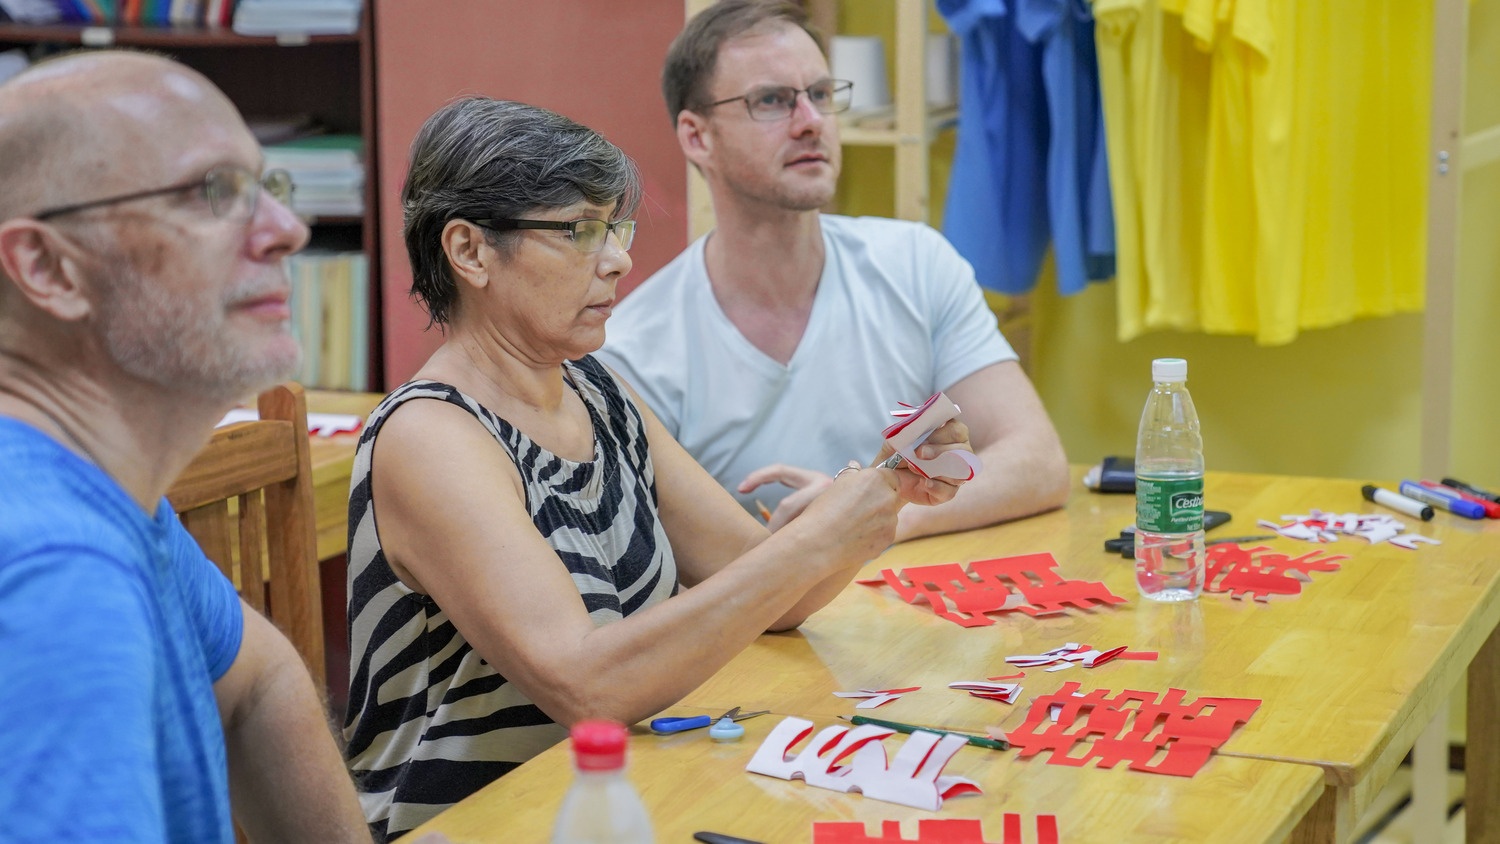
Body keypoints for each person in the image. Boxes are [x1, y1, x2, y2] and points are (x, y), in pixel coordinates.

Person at [343, 96, 971, 840]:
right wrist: (814, 540)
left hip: (610, 803)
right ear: (470, 251)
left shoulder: (598, 391)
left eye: (615, 226)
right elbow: (589, 686)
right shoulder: (431, 436)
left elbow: (772, 593)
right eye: (579, 231)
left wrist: (885, 490)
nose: (618, 257)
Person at [0, 52, 369, 842]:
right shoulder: (56, 574)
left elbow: (258, 680)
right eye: (213, 194)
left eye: (266, 188)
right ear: (47, 266)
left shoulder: (107, 492)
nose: (288, 232)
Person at [596, 0, 1070, 541]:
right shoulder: (635, 352)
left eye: (820, 94)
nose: (812, 122)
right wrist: (827, 536)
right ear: (697, 137)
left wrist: (874, 515)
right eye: (772, 101)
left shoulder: (917, 263)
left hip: (913, 614)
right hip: (770, 625)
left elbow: (1037, 460)